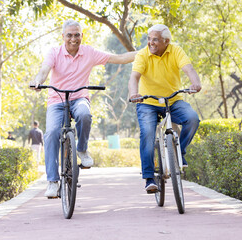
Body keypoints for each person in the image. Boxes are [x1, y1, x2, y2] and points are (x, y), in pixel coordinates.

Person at [30, 19, 137, 198]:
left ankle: (82, 149)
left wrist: (146, 51)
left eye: (77, 35)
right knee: (51, 133)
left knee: (85, 114)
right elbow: (44, 70)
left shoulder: (89, 52)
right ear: (63, 36)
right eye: (70, 35)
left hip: (79, 97)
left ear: (81, 36)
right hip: (57, 100)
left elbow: (119, 58)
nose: (73, 39)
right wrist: (38, 81)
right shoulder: (54, 52)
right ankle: (52, 182)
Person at [128, 24, 201, 193]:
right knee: (147, 133)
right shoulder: (142, 54)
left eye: (155, 40)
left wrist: (195, 83)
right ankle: (148, 178)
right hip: (148, 102)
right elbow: (134, 77)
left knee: (192, 119)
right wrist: (134, 93)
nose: (151, 43)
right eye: (149, 39)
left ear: (166, 41)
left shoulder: (175, 50)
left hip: (173, 100)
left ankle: (179, 153)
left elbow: (188, 69)